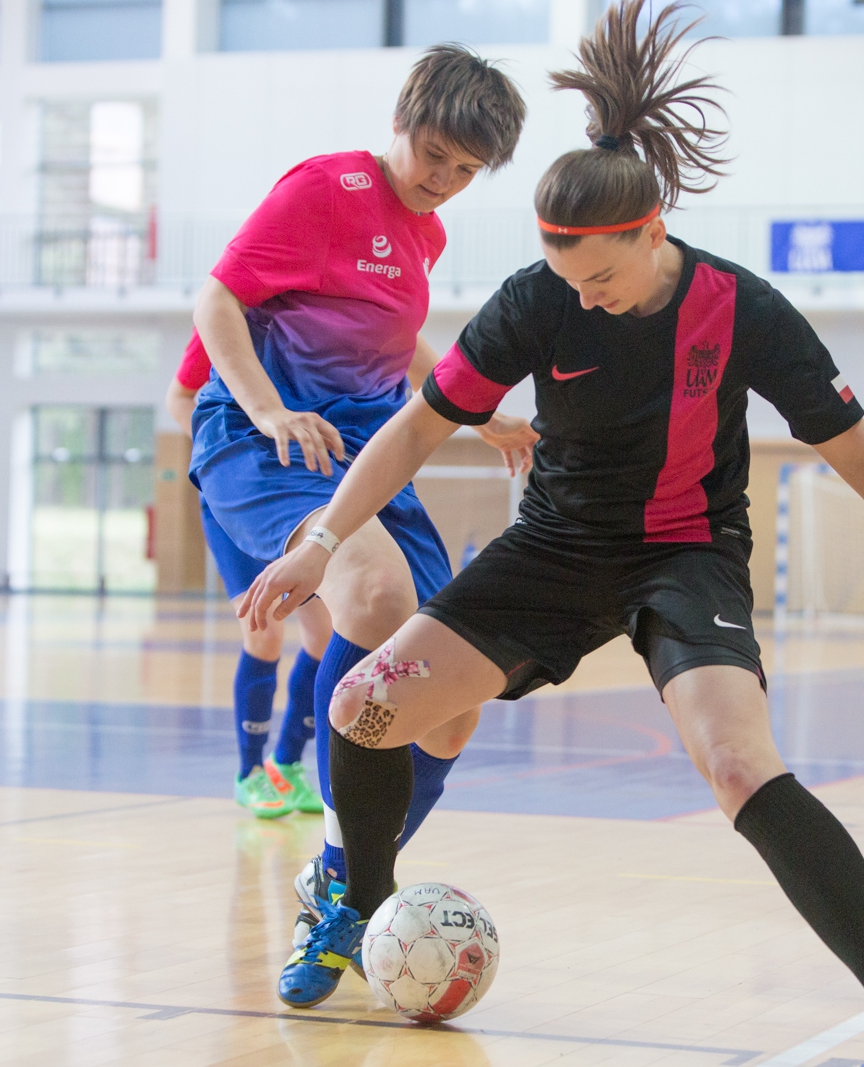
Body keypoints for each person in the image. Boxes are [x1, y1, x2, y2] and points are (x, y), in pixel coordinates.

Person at [238, 5, 864, 1063]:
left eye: (599, 279)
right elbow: (420, 423)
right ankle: (355, 901)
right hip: (556, 550)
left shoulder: (743, 309)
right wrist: (322, 543)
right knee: (363, 701)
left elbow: (858, 450)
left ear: (651, 233)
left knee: (739, 761)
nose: (584, 301)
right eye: (566, 281)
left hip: (685, 554)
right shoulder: (538, 299)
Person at [181, 45, 535, 1001]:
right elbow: (217, 296)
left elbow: (392, 341)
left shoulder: (426, 235)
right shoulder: (323, 189)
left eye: (466, 172)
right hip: (275, 442)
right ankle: (345, 885)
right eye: (435, 155)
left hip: (364, 445)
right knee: (373, 595)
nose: (444, 181)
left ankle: (338, 879)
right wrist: (263, 410)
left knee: (455, 695)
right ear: (403, 120)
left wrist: (472, 407)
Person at [166, 357, 331, 818]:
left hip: (299, 491)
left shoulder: (311, 328)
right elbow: (178, 396)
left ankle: (287, 764)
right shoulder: (228, 312)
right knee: (264, 630)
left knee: (325, 633)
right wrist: (223, 452)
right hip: (236, 491)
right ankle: (249, 772)